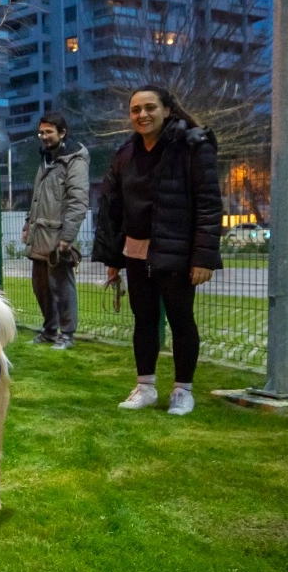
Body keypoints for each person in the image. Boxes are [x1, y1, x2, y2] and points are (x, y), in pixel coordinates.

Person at [91, 85, 223, 416]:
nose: (142, 115)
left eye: (150, 107)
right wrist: (113, 259)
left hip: (176, 255)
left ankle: (182, 391)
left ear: (167, 109)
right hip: (136, 255)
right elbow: (112, 206)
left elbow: (209, 203)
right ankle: (145, 387)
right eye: (136, 110)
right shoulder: (125, 154)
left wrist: (203, 257)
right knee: (144, 321)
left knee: (181, 321)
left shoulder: (193, 146)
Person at [23, 111, 89, 349]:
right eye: (41, 132)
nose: (43, 136)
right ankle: (49, 331)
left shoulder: (74, 160)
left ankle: (67, 335)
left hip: (58, 238)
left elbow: (78, 201)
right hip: (39, 235)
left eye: (48, 132)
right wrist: (27, 225)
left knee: (62, 289)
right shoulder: (46, 159)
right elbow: (38, 199)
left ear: (62, 133)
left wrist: (67, 238)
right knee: (41, 289)